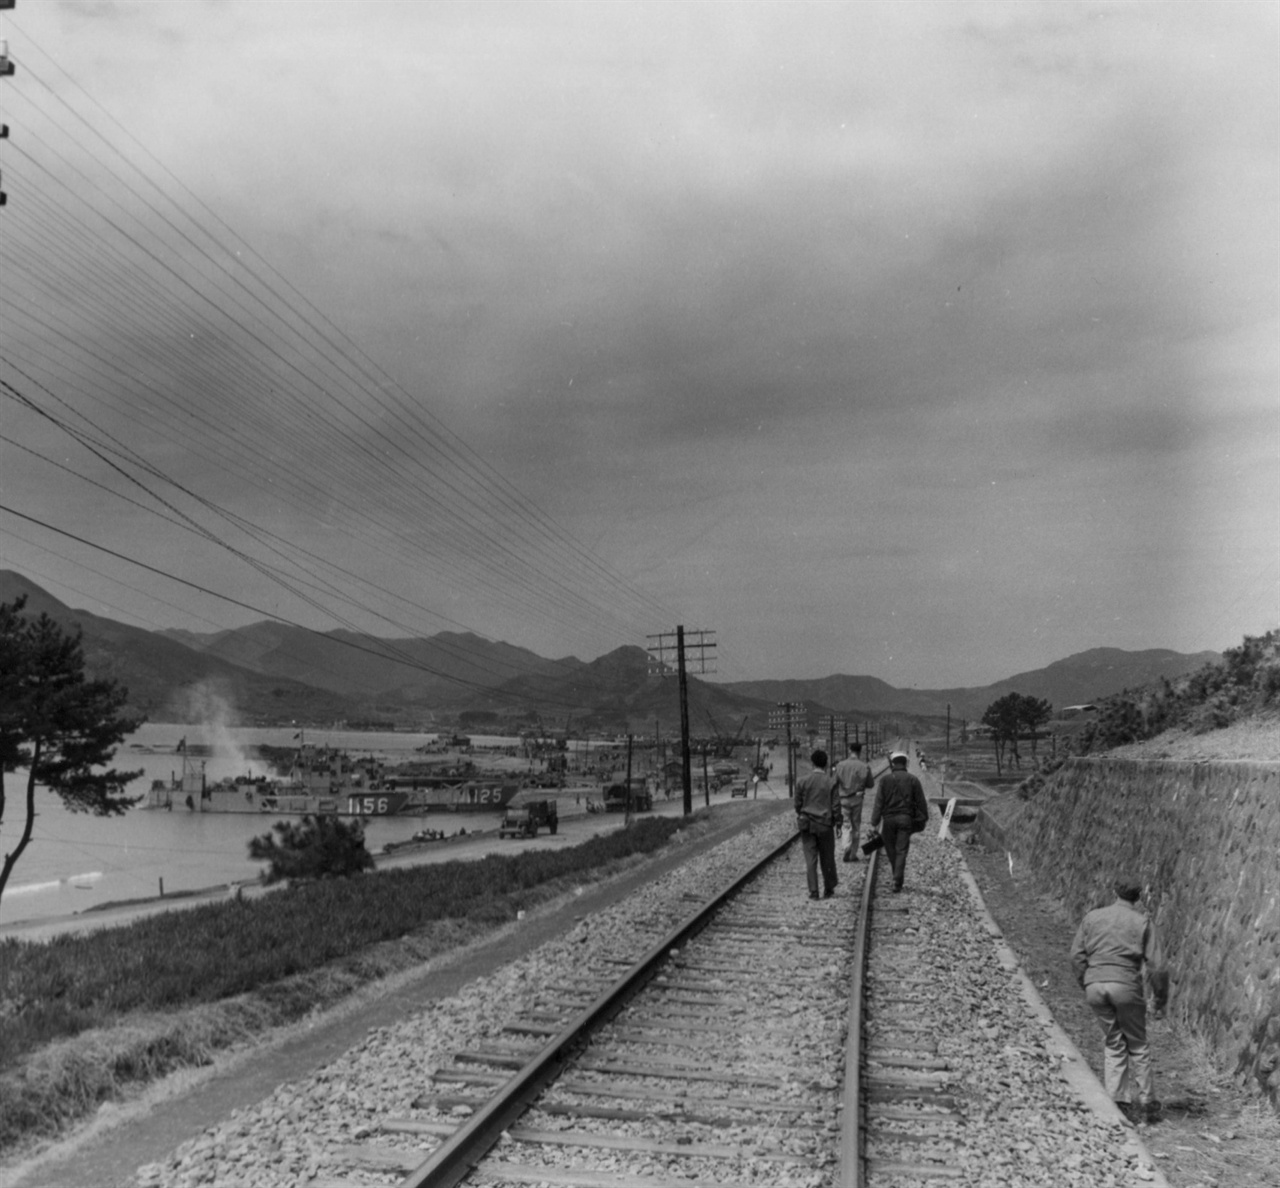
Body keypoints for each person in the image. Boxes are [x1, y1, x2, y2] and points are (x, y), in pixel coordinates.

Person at [1070, 878, 1169, 1125]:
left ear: (1115, 892)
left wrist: (1087, 981)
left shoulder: (1092, 917)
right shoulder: (1142, 921)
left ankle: (1118, 1101)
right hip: (1126, 986)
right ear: (1138, 897)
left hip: (1095, 985)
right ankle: (1147, 1105)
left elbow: (1076, 956)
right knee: (1137, 1043)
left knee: (1114, 1041)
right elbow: (1157, 967)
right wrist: (1160, 998)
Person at [868, 750, 928, 892]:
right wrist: (923, 819)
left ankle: (897, 877)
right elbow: (921, 803)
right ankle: (897, 879)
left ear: (892, 763)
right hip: (905, 820)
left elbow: (879, 803)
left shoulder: (884, 780)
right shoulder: (913, 779)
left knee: (891, 850)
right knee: (901, 850)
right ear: (906, 763)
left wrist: (874, 822)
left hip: (888, 820)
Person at [793, 749, 840, 900]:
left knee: (810, 859)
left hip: (807, 824)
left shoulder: (802, 781)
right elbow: (836, 806)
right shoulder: (831, 781)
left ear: (812, 763)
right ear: (826, 764)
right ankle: (829, 888)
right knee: (827, 858)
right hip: (825, 825)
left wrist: (803, 812)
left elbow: (797, 804)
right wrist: (838, 823)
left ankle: (814, 891)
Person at [832, 741, 874, 862]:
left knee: (846, 825)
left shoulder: (840, 765)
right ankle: (853, 854)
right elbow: (871, 784)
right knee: (856, 825)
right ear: (860, 752)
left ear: (850, 750)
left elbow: (833, 783)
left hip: (843, 799)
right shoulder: (864, 766)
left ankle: (846, 846)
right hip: (857, 799)